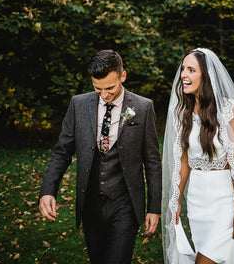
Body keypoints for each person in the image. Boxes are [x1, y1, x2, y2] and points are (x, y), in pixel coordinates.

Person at [39, 49, 162, 264]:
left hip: (125, 204)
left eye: (110, 88)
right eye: (98, 89)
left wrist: (154, 207)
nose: (104, 95)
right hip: (90, 204)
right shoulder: (78, 104)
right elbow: (62, 152)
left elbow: (152, 162)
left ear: (122, 76)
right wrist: (48, 190)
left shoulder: (143, 107)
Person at [162, 48, 234, 264]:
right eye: (183, 69)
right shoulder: (182, 113)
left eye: (191, 70)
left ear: (206, 76)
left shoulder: (229, 110)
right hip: (198, 201)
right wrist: (176, 201)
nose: (184, 74)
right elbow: (183, 162)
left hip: (225, 202)